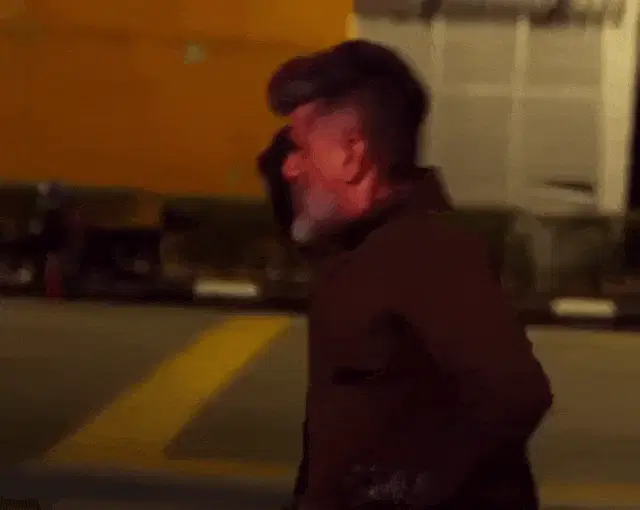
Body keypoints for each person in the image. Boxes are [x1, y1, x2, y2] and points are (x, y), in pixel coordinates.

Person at [262, 39, 553, 510]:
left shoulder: (428, 251)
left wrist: (397, 494)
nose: (289, 168)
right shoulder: (362, 251)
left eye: (298, 147)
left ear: (352, 152)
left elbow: (516, 393)